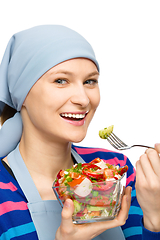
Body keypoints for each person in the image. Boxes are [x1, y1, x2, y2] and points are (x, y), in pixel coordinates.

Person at [0, 25, 159, 240]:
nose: (84, 99)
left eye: (89, 81)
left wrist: (154, 220)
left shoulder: (115, 169)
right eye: (61, 81)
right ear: (22, 92)